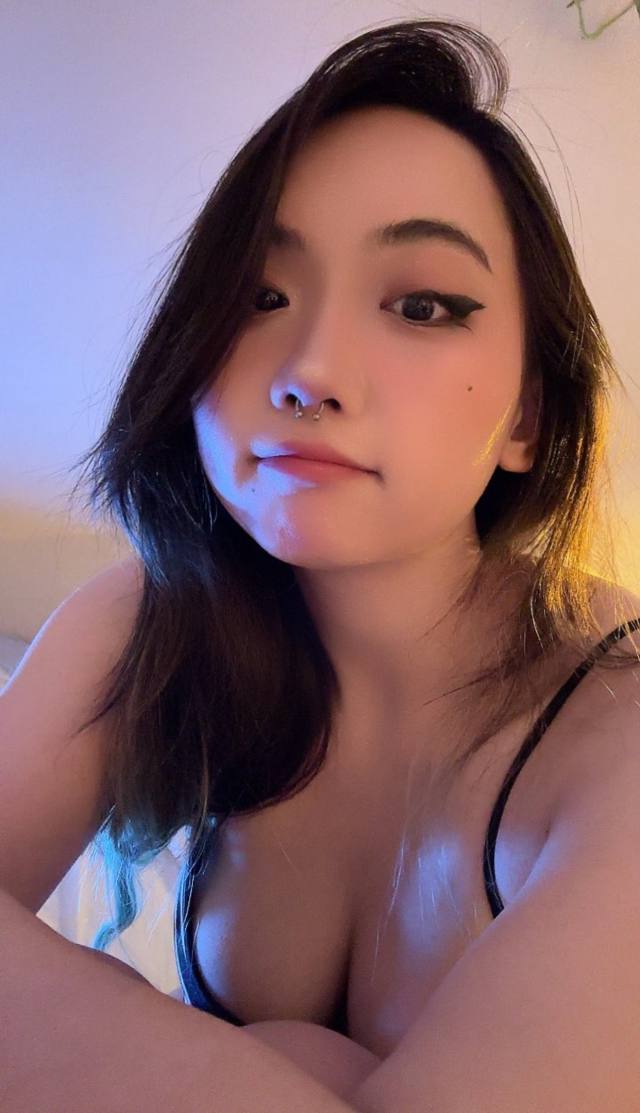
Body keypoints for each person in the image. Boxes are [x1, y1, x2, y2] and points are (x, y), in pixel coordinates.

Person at [2, 16, 639, 1113]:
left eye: (422, 305)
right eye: (260, 297)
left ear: (529, 416)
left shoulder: (618, 724)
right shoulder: (143, 627)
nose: (310, 370)